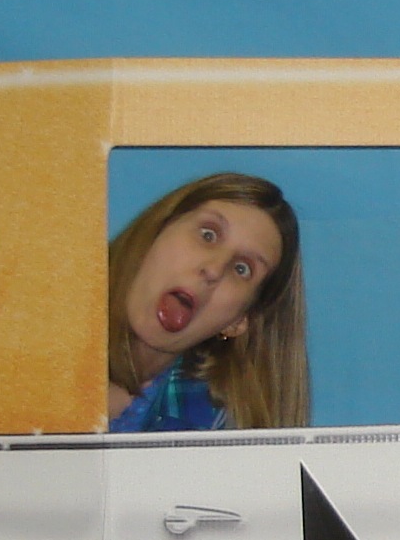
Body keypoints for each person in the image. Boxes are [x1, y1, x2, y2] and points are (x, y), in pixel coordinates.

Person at [108, 172, 309, 431]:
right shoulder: (44, 325)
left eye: (241, 269)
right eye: (208, 235)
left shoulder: (212, 437)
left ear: (238, 322)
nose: (214, 270)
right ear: (153, 234)